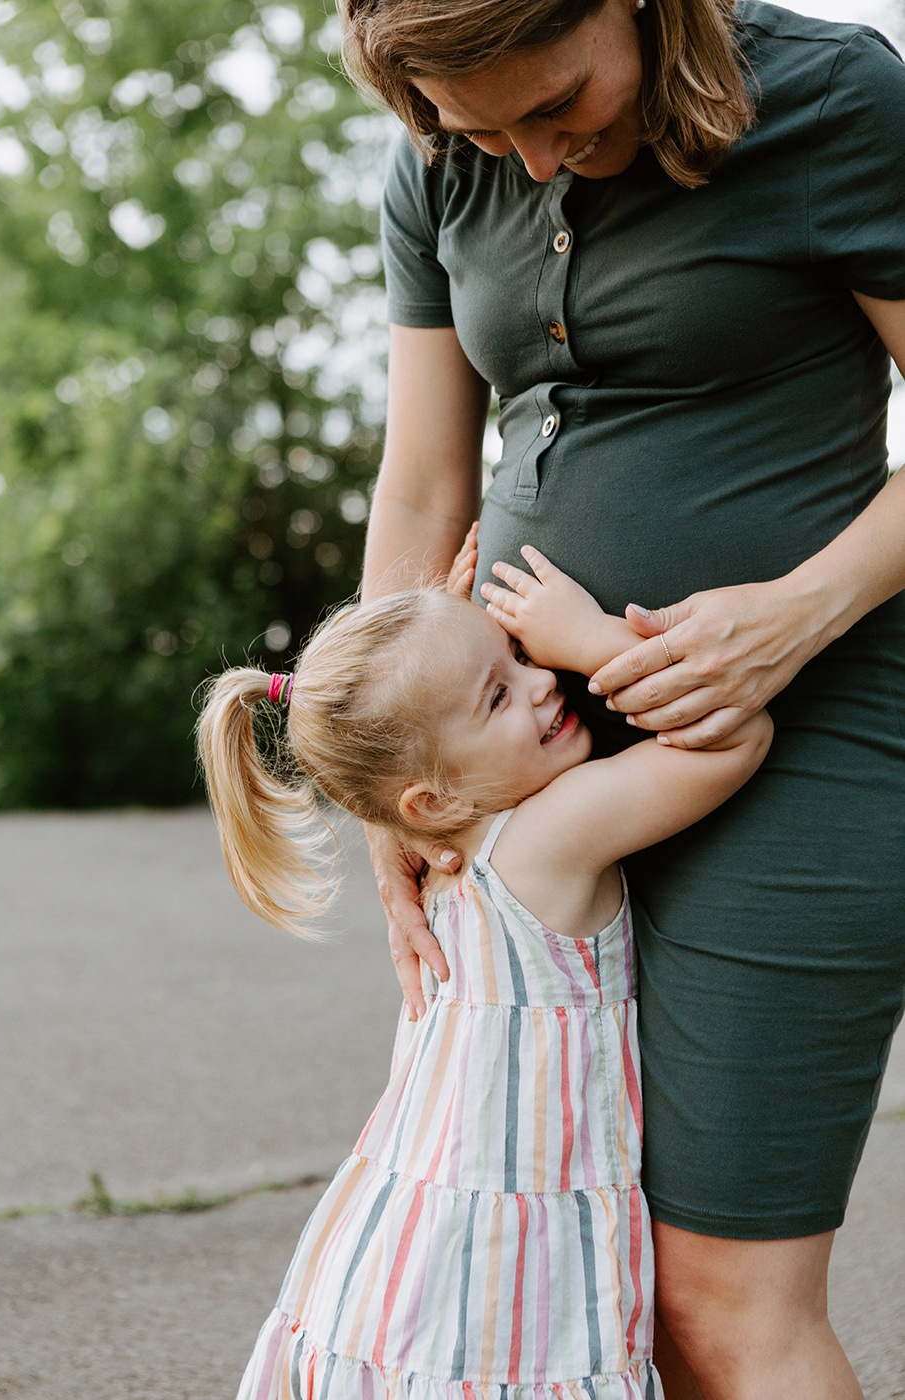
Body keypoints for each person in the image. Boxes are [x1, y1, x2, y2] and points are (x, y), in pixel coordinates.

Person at [336, 1, 905, 1397]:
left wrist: (795, 610)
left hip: (809, 733)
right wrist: (387, 788)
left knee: (719, 1294)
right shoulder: (439, 157)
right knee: (600, 1273)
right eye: (482, 130)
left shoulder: (832, 100)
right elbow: (422, 484)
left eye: (561, 107)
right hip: (532, 759)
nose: (529, 161)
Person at [196, 548, 771, 1400]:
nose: (543, 684)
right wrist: (586, 638)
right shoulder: (550, 836)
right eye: (498, 693)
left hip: (420, 1249)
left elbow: (439, 726)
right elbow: (734, 735)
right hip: (513, 1251)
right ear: (425, 803)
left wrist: (451, 645)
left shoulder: (444, 858)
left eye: (520, 657)